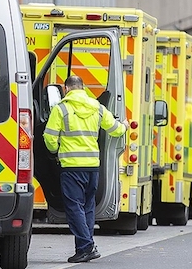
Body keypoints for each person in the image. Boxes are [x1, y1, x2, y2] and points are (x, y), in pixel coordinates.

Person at [43, 75, 128, 263]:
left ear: (66, 89)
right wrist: (124, 126)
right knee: (87, 208)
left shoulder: (61, 109)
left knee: (74, 208)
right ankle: (84, 248)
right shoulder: (96, 107)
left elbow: (49, 138)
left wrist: (55, 151)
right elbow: (115, 129)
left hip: (72, 167)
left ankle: (86, 246)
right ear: (83, 88)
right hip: (92, 167)